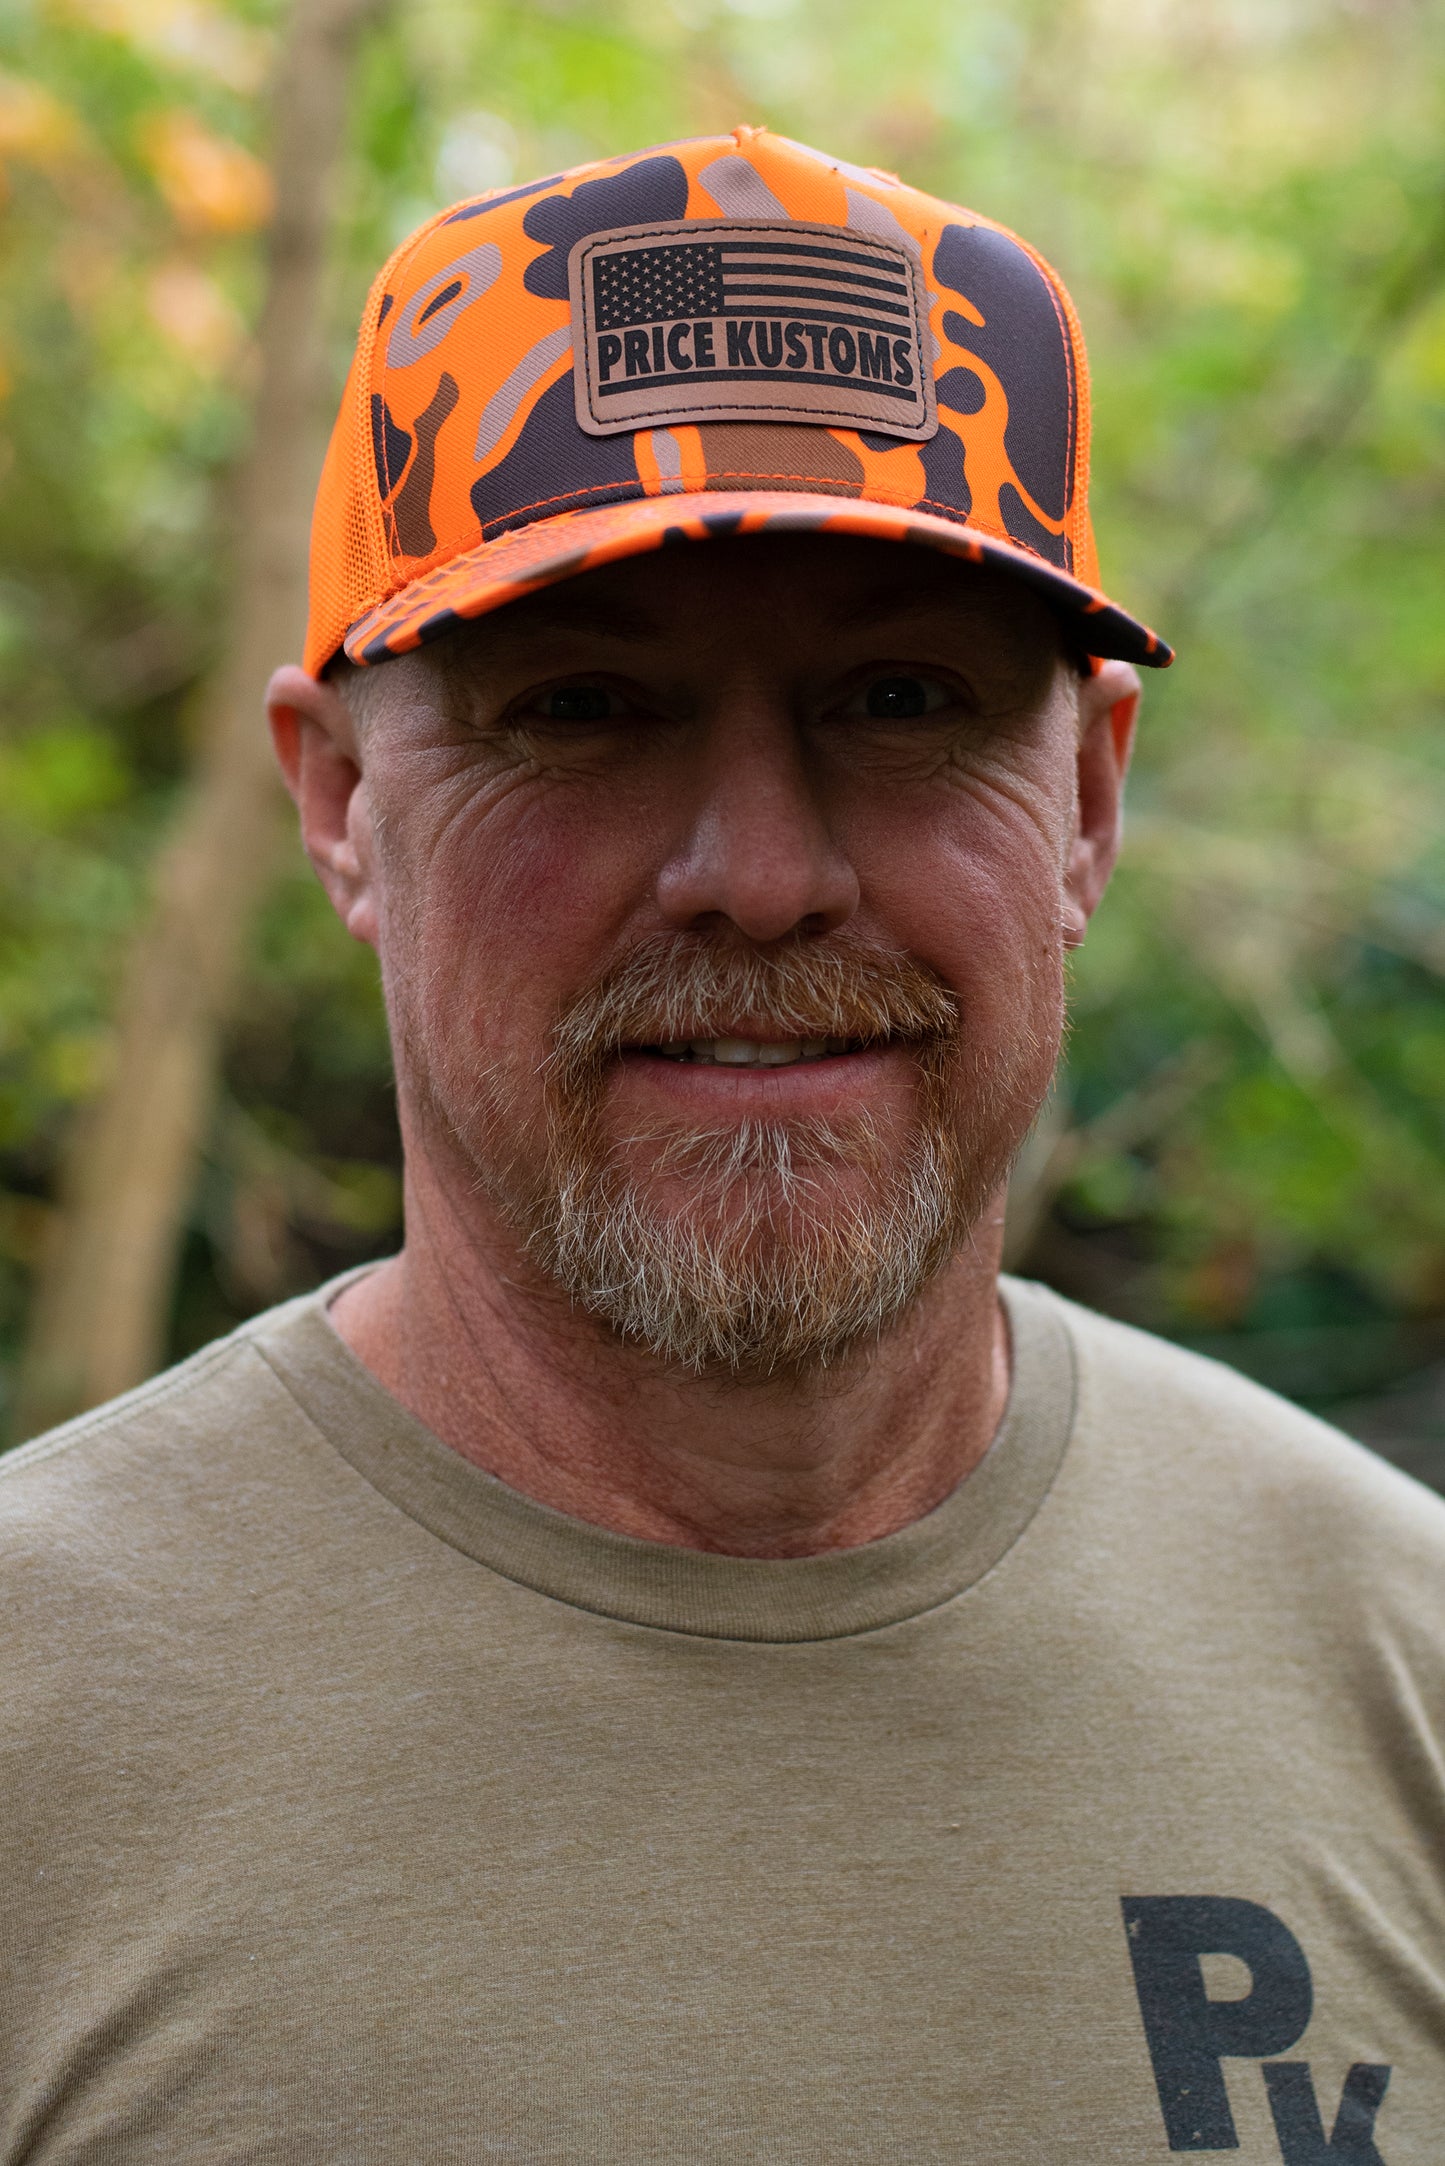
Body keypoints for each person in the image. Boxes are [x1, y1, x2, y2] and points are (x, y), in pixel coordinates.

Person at [2, 127, 1440, 2165]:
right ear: (336, 804)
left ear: (1093, 807)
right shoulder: (35, 1733)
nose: (758, 875)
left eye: (901, 696)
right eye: (584, 708)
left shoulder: (1400, 1667)